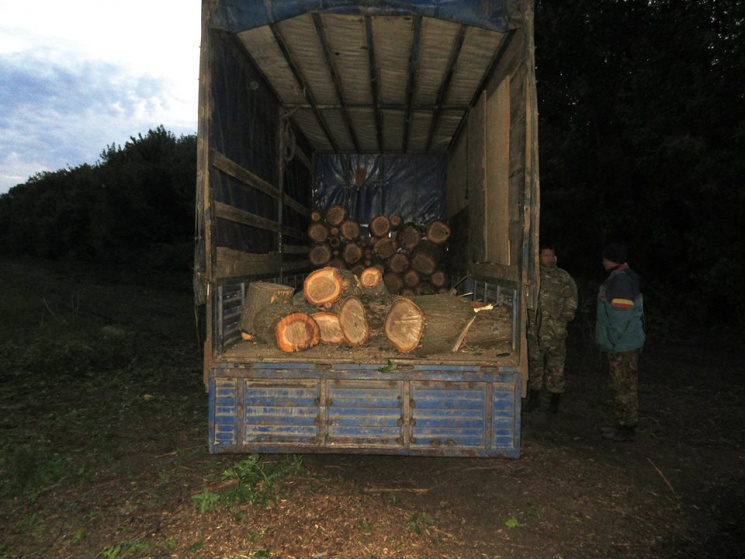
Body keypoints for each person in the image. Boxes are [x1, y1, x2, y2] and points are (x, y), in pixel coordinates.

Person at [596, 243, 645, 441]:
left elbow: (620, 317)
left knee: (625, 386)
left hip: (623, 344)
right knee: (621, 385)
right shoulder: (620, 277)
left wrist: (612, 341)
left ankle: (627, 428)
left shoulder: (621, 281)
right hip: (623, 342)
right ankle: (621, 424)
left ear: (609, 260)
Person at [526, 242, 578, 413]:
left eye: (551, 255)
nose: (548, 258)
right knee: (535, 365)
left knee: (556, 366)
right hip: (535, 331)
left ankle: (554, 402)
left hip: (556, 331)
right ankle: (534, 399)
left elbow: (572, 300)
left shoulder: (563, 277)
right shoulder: (532, 276)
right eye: (545, 255)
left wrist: (563, 320)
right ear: (539, 256)